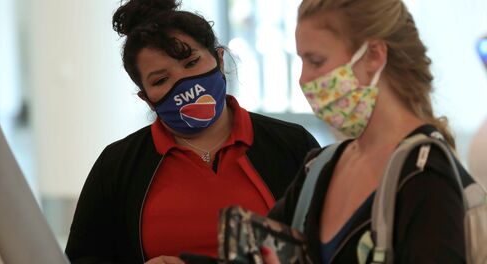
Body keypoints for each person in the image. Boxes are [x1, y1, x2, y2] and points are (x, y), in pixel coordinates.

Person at [64, 0, 319, 263]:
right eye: (161, 80)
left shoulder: (292, 145)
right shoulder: (116, 166)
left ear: (219, 60)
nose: (185, 85)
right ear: (146, 98)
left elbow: (330, 247)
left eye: (191, 63)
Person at [264, 0, 475, 263]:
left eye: (316, 61)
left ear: (374, 55)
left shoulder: (426, 176)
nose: (303, 79)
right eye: (301, 60)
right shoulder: (319, 168)